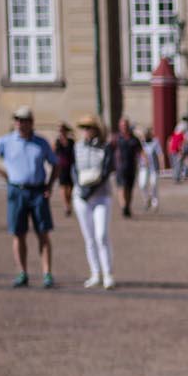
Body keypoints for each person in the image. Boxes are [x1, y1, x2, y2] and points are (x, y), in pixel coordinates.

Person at [0, 106, 58, 288]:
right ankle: (22, 272)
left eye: (24, 120)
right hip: (17, 191)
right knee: (18, 233)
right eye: (17, 120)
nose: (20, 123)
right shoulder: (7, 141)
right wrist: (0, 172)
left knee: (43, 233)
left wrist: (50, 184)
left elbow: (56, 164)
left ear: (31, 122)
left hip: (38, 191)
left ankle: (47, 273)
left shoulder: (41, 142)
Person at [70, 113, 116, 289]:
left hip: (101, 195)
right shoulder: (77, 147)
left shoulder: (105, 148)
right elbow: (73, 169)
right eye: (84, 128)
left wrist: (90, 190)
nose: (86, 131)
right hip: (81, 196)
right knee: (89, 237)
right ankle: (95, 272)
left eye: (89, 128)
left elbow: (105, 172)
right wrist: (80, 188)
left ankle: (108, 273)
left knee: (101, 235)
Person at [111, 117, 142, 218]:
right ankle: (123, 206)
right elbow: (110, 151)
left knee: (129, 188)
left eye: (126, 125)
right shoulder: (116, 138)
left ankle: (128, 206)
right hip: (119, 168)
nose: (124, 127)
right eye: (123, 125)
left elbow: (140, 151)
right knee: (122, 187)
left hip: (131, 167)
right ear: (120, 127)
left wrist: (145, 161)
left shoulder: (134, 138)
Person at [53, 123, 76, 216]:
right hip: (61, 167)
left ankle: (69, 202)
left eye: (62, 130)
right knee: (63, 187)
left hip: (70, 167)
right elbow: (53, 153)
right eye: (59, 130)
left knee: (70, 188)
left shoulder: (71, 142)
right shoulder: (57, 142)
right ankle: (66, 206)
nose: (61, 132)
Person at [139, 126, 164, 211]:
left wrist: (161, 164)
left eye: (146, 134)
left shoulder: (155, 142)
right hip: (143, 167)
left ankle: (155, 203)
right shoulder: (141, 143)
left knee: (154, 184)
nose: (145, 136)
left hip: (154, 167)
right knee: (142, 184)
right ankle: (147, 199)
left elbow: (160, 154)